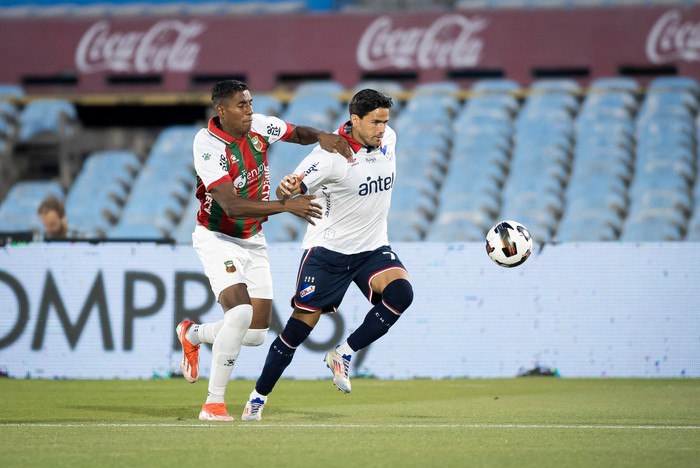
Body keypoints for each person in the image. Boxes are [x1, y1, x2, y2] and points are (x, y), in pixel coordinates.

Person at [176, 79, 352, 422]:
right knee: (239, 315)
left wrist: (320, 136)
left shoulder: (257, 126)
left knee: (255, 334)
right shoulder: (207, 143)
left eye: (251, 103)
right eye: (242, 106)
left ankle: (193, 333)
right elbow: (230, 205)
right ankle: (213, 405)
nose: (250, 110)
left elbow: (295, 132)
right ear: (221, 111)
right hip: (217, 236)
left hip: (253, 239)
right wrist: (287, 207)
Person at [240, 89, 414, 421]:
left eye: (385, 121)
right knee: (297, 331)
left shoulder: (389, 138)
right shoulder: (329, 155)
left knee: (401, 293)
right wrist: (288, 188)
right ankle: (258, 397)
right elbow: (288, 189)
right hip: (328, 253)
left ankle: (344, 353)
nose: (382, 128)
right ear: (355, 120)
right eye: (375, 122)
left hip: (372, 248)